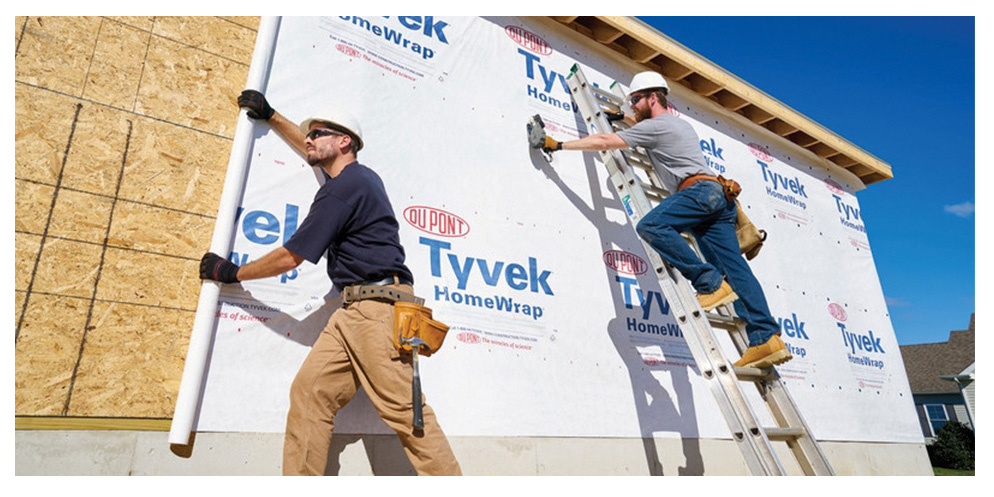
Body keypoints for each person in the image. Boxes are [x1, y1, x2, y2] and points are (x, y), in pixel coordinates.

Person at [199, 90, 462, 476]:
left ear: (344, 142)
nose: (309, 139)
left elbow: (292, 256)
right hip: (354, 311)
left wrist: (231, 273)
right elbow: (311, 155)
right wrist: (272, 116)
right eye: (309, 134)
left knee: (407, 412)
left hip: (377, 313)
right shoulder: (356, 180)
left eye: (318, 133)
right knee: (311, 393)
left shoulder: (344, 188)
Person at [533, 71, 790, 369]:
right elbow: (649, 133)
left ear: (653, 98)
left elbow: (605, 139)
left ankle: (708, 283)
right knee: (735, 269)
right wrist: (624, 119)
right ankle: (766, 337)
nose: (632, 106)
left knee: (651, 226)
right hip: (718, 198)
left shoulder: (656, 127)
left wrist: (557, 145)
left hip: (698, 194)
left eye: (636, 100)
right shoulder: (677, 125)